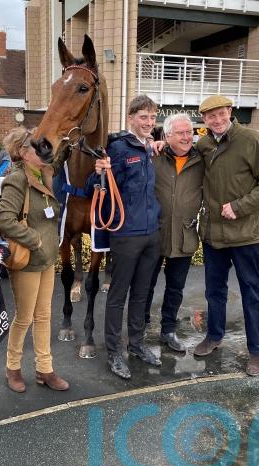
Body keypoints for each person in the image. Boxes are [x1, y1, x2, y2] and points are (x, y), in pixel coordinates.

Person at [193, 95, 259, 376]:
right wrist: (161, 146)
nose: (217, 120)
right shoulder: (204, 144)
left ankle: (257, 351)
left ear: (230, 112)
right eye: (211, 116)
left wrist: (240, 206)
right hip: (213, 234)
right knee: (214, 291)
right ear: (204, 120)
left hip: (246, 234)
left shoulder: (250, 139)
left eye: (221, 114)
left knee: (252, 293)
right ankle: (214, 336)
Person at [85, 95, 162, 380]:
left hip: (151, 233)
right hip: (126, 234)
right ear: (130, 118)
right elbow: (94, 186)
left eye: (152, 117)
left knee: (142, 293)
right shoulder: (117, 148)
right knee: (118, 295)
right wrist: (98, 173)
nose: (149, 122)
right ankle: (114, 352)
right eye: (143, 117)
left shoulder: (148, 147)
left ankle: (137, 344)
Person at [0, 127, 68, 393]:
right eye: (37, 147)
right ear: (22, 152)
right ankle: (12, 367)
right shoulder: (17, 179)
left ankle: (44, 369)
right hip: (27, 259)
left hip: (46, 258)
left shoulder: (43, 172)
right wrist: (34, 239)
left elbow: (62, 154)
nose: (44, 150)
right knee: (24, 317)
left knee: (44, 315)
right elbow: (4, 219)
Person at [143, 113, 204, 352]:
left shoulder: (201, 159)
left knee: (175, 288)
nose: (187, 137)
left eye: (190, 132)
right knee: (145, 285)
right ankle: (140, 327)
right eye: (181, 133)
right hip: (153, 233)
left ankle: (168, 330)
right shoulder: (154, 156)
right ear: (167, 136)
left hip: (184, 235)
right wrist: (151, 145)